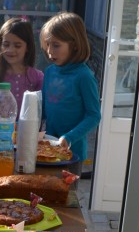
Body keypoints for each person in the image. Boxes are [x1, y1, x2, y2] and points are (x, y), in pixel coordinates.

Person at [39, 12, 101, 164]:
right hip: (49, 145)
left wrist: (69, 137)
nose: (49, 51)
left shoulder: (84, 76)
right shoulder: (49, 72)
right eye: (48, 44)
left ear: (73, 45)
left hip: (74, 152)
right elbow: (43, 110)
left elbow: (94, 115)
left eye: (56, 45)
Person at [0, 18, 43, 132]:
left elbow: (41, 114)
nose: (10, 49)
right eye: (6, 44)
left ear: (28, 47)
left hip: (25, 140)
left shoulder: (37, 77)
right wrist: (4, 129)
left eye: (17, 45)